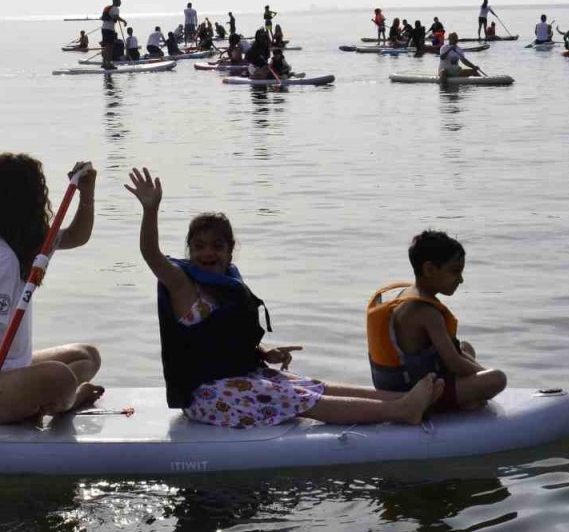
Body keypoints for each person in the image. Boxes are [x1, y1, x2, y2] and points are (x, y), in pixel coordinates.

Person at [124, 167, 442, 428]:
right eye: (199, 246)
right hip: (206, 395)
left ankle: (407, 397)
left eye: (217, 246)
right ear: (190, 251)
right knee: (299, 398)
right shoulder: (183, 285)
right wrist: (151, 209)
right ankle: (401, 410)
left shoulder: (227, 283)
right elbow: (151, 254)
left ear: (230, 251)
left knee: (308, 385)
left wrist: (263, 352)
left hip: (239, 378)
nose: (208, 253)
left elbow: (221, 339)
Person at [0, 154, 104, 424]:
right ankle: (71, 399)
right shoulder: (0, 256)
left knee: (87, 356)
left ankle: (41, 399)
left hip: (10, 367)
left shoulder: (26, 242)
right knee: (62, 377)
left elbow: (77, 236)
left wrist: (86, 194)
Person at [366, 230, 507, 411]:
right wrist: (483, 375)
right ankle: (463, 401)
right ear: (430, 270)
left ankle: (466, 397)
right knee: (497, 379)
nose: (461, 279)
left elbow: (454, 354)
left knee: (466, 347)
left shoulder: (406, 294)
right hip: (415, 392)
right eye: (455, 271)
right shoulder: (427, 313)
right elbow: (454, 363)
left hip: (395, 383)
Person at [100, 0, 126, 69]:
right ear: (116, 1)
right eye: (119, 1)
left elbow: (102, 18)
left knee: (106, 47)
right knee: (110, 47)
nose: (120, 2)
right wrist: (124, 21)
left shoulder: (107, 7)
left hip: (104, 28)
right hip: (109, 30)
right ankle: (108, 64)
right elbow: (116, 17)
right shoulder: (116, 8)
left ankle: (104, 63)